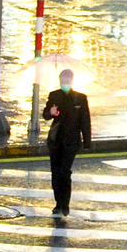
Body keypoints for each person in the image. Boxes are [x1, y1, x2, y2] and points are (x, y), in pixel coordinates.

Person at [42, 68, 91, 219]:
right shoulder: (54, 95)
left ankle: (65, 204)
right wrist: (51, 113)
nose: (65, 83)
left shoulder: (80, 98)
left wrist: (87, 141)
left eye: (67, 80)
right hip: (56, 141)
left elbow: (85, 120)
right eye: (63, 80)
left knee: (65, 172)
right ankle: (58, 204)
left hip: (72, 141)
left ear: (72, 81)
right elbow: (45, 115)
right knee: (56, 174)